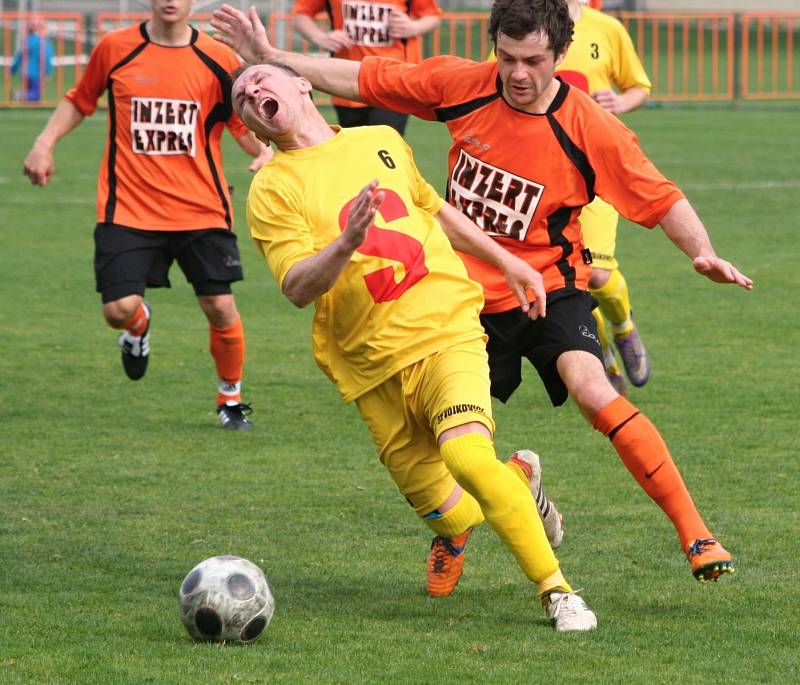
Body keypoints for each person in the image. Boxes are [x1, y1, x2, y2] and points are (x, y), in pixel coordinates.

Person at [212, 0, 751, 586]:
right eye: (508, 58)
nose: (519, 75)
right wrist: (268, 58)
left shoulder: (591, 127)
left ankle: (695, 532)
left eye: (534, 61)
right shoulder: (463, 84)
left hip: (545, 284)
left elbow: (660, 194)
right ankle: (462, 524)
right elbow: (366, 75)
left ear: (561, 55)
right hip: (457, 294)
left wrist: (701, 250)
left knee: (593, 390)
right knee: (438, 453)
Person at [232, 60, 596, 632]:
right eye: (241, 96)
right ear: (250, 124)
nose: (253, 91)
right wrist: (346, 242)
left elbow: (433, 208)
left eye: (261, 79)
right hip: (370, 368)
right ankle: (518, 485)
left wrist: (505, 260)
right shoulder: (271, 189)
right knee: (452, 516)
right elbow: (297, 286)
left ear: (302, 84)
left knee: (466, 456)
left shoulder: (380, 140)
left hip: (446, 327)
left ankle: (558, 593)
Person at [23, 0, 272, 431]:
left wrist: (266, 152)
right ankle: (137, 326)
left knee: (219, 304)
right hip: (129, 208)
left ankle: (230, 398)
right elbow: (79, 100)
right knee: (118, 310)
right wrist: (44, 143)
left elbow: (239, 123)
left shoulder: (218, 58)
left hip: (201, 207)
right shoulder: (115, 48)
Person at [556, 0, 653, 395]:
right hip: (541, 174)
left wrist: (621, 101)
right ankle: (600, 353)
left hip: (594, 167)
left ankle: (623, 326)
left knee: (596, 273)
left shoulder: (606, 28)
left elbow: (638, 87)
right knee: (568, 281)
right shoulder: (526, 22)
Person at [290, 0, 441, 135]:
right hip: (346, 81)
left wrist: (413, 27)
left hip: (392, 80)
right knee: (353, 153)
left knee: (383, 147)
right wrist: (320, 37)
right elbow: (300, 15)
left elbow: (432, 16)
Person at [12, 16, 54, 102]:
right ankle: (18, 95)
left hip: (24, 72)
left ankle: (20, 97)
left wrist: (13, 69)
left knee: (30, 94)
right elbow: (46, 58)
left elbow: (19, 56)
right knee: (36, 95)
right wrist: (48, 71)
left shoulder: (27, 41)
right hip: (36, 73)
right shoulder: (45, 43)